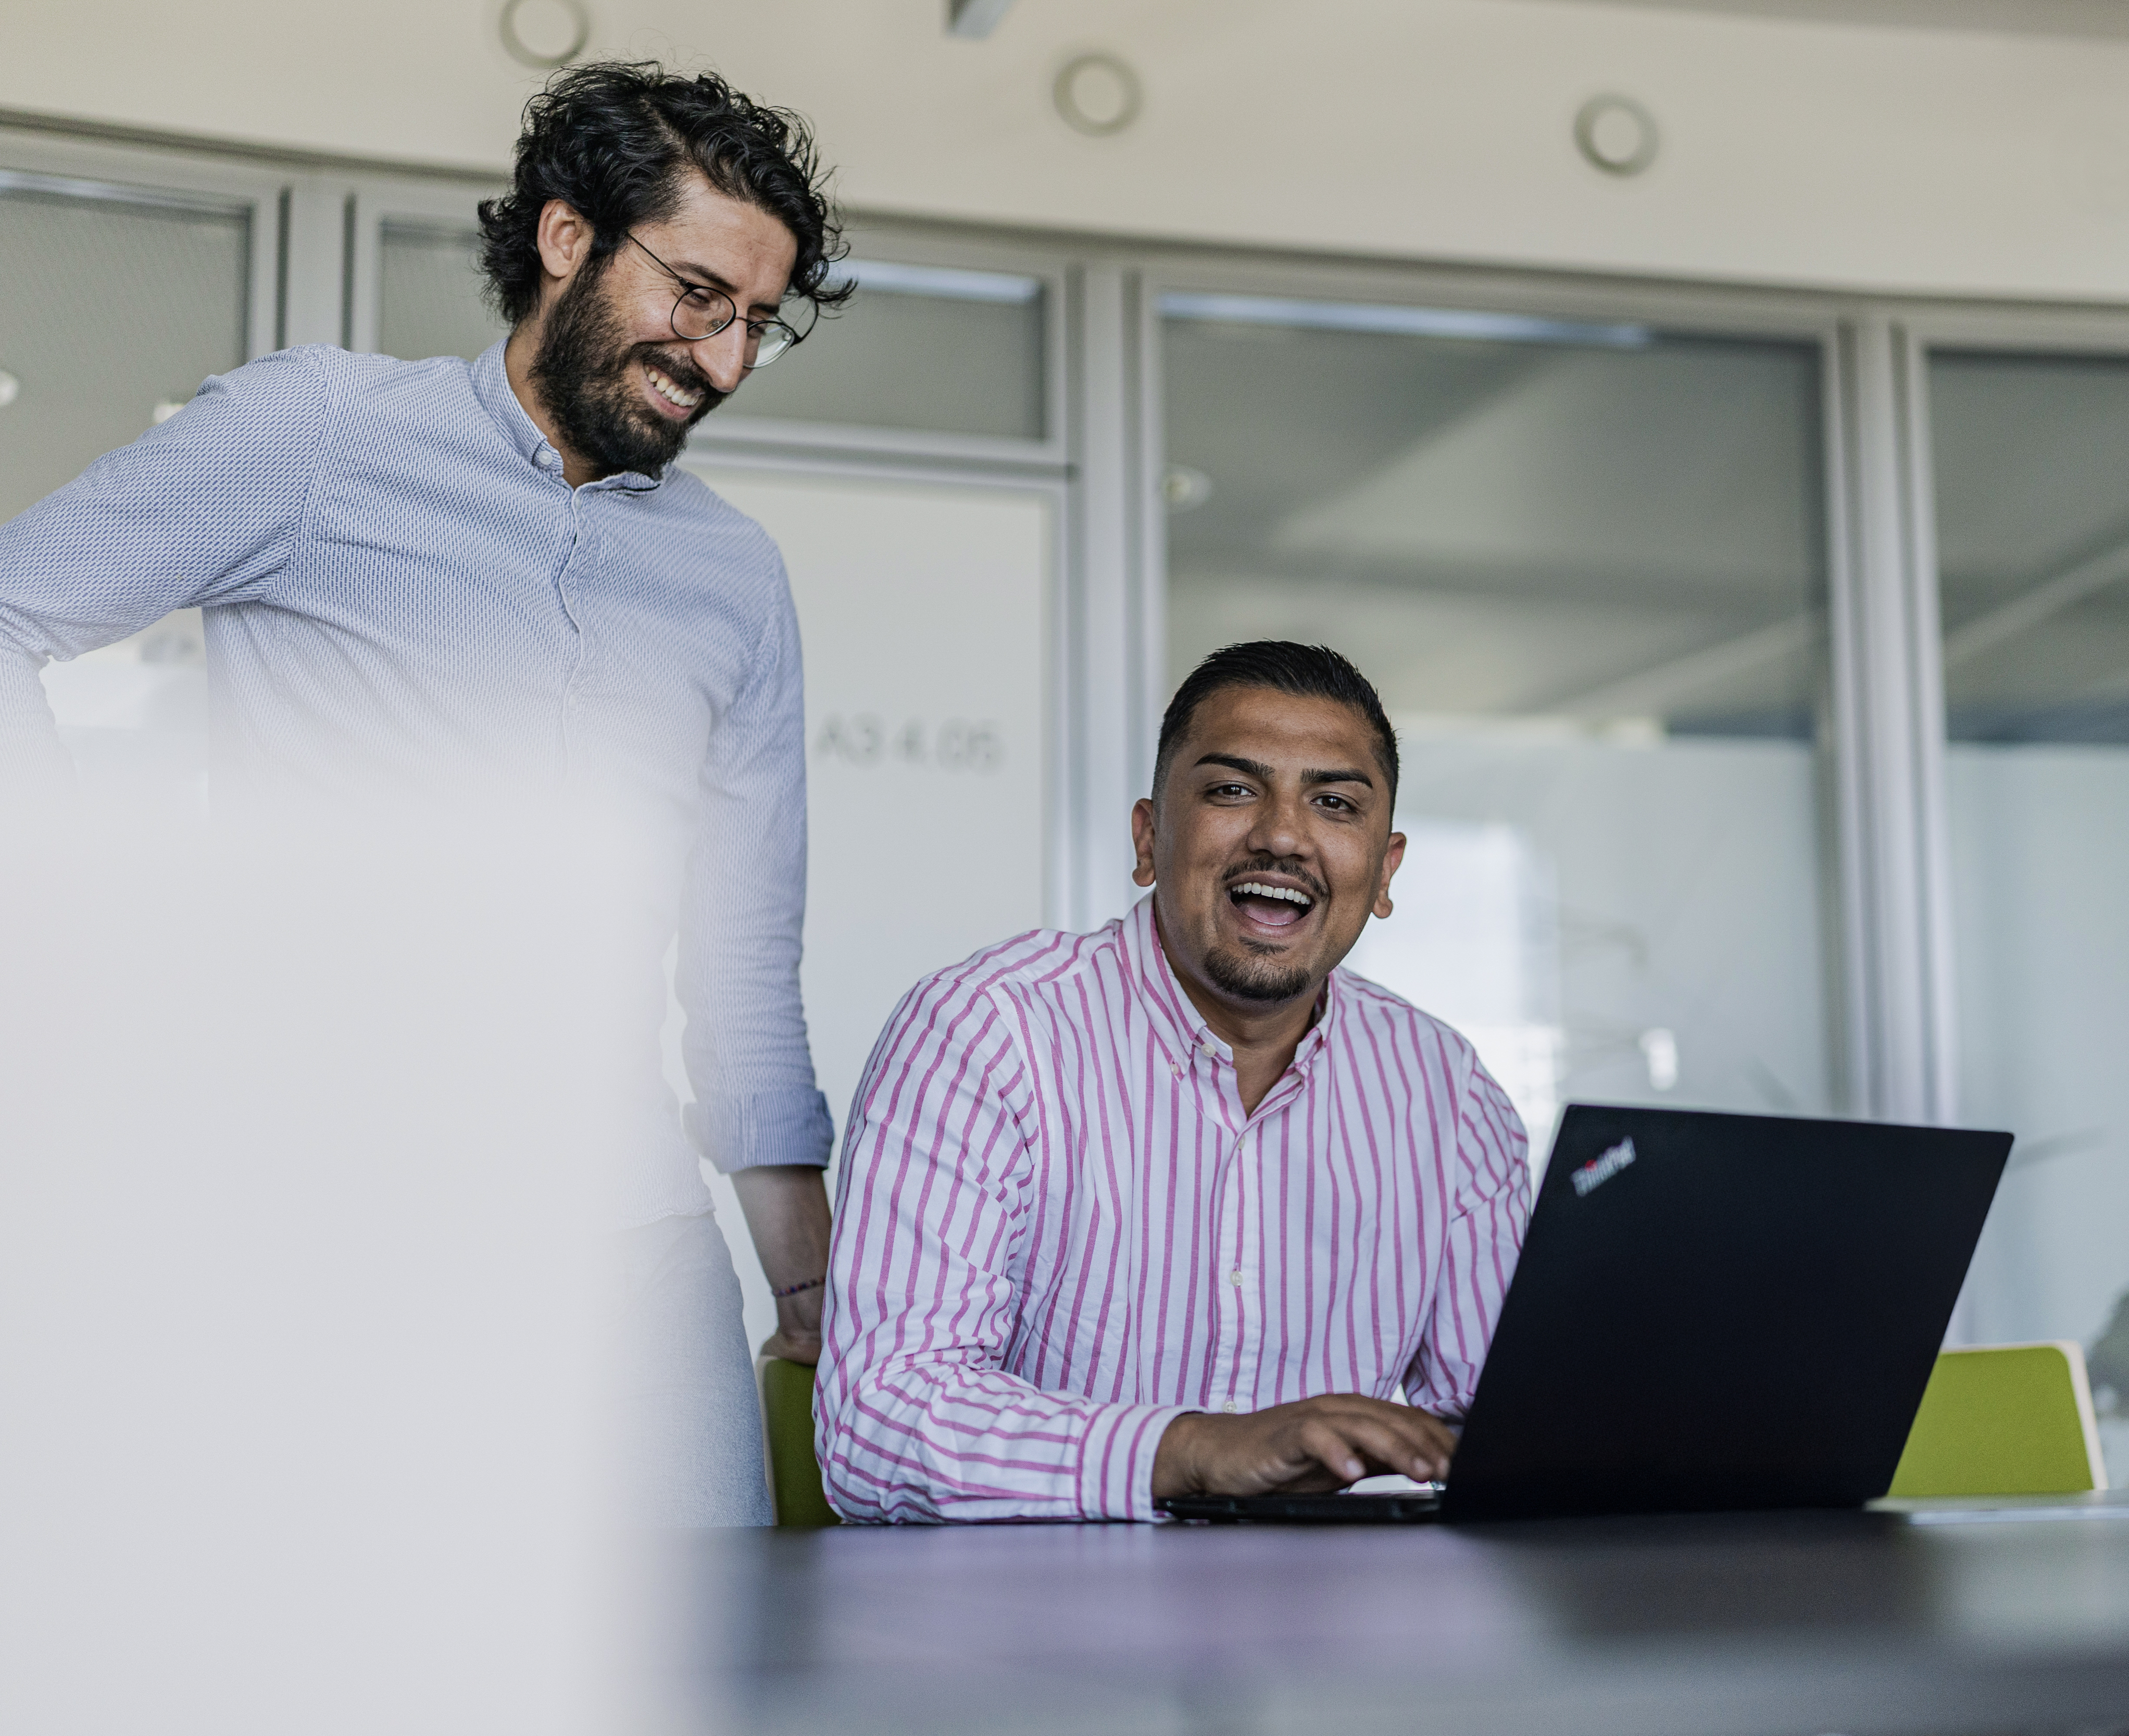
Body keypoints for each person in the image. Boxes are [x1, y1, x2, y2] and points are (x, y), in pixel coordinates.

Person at [0, 64, 853, 1524]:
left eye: (757, 325)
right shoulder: (319, 437)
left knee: (705, 1653)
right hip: (315, 1217)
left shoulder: (737, 582)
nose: (719, 359)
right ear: (568, 238)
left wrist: (809, 1285)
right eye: (698, 294)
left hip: (630, 1240)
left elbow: (741, 964)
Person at [817, 641, 1533, 1521]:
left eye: (1335, 803)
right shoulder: (987, 1036)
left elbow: (1502, 1424)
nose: (1282, 834)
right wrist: (1197, 1449)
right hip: (1033, 1627)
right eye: (1234, 790)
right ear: (1150, 838)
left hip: (1339, 1632)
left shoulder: (1450, 1097)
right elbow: (874, 1425)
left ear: (1384, 873)